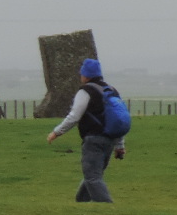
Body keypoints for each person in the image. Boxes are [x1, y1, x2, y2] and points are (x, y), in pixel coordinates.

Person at [46, 58, 125, 203]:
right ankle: (81, 203)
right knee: (94, 175)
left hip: (93, 139)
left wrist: (56, 132)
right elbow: (118, 119)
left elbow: (74, 116)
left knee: (92, 177)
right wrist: (120, 145)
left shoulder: (86, 91)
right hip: (110, 140)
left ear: (86, 75)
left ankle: (108, 207)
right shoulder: (111, 90)